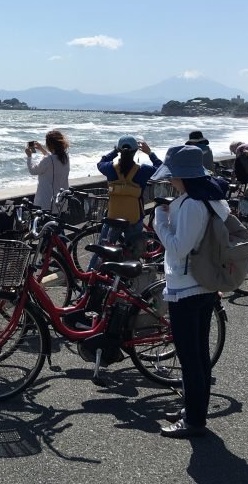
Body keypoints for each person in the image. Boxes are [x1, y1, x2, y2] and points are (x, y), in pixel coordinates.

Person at [150, 145, 229, 438]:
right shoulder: (212, 199)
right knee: (199, 354)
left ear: (183, 176)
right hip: (207, 282)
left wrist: (160, 220)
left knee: (190, 358)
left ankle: (194, 420)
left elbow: (179, 248)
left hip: (187, 288)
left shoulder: (191, 205)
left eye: (173, 175)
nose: (170, 180)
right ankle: (194, 410)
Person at [96, 135, 162, 257]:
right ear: (135, 151)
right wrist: (150, 153)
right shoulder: (143, 170)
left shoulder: (110, 168)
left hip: (113, 216)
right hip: (134, 217)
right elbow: (161, 168)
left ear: (119, 151)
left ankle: (95, 268)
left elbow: (100, 163)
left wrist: (115, 151)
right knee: (132, 253)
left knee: (102, 251)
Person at [25, 130, 70, 212]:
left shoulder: (48, 159)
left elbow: (33, 171)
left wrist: (29, 157)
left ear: (50, 144)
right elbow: (52, 159)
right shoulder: (65, 157)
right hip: (61, 201)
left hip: (47, 202)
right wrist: (42, 149)